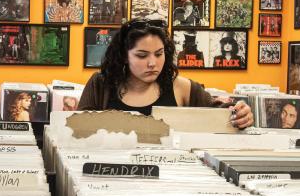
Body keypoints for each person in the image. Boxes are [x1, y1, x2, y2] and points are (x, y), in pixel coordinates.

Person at [77, 19, 253, 127]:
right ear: (124, 55)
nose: (153, 63)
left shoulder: (182, 87)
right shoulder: (101, 84)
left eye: (159, 54)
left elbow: (222, 114)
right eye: (142, 55)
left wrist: (241, 114)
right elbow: (77, 132)